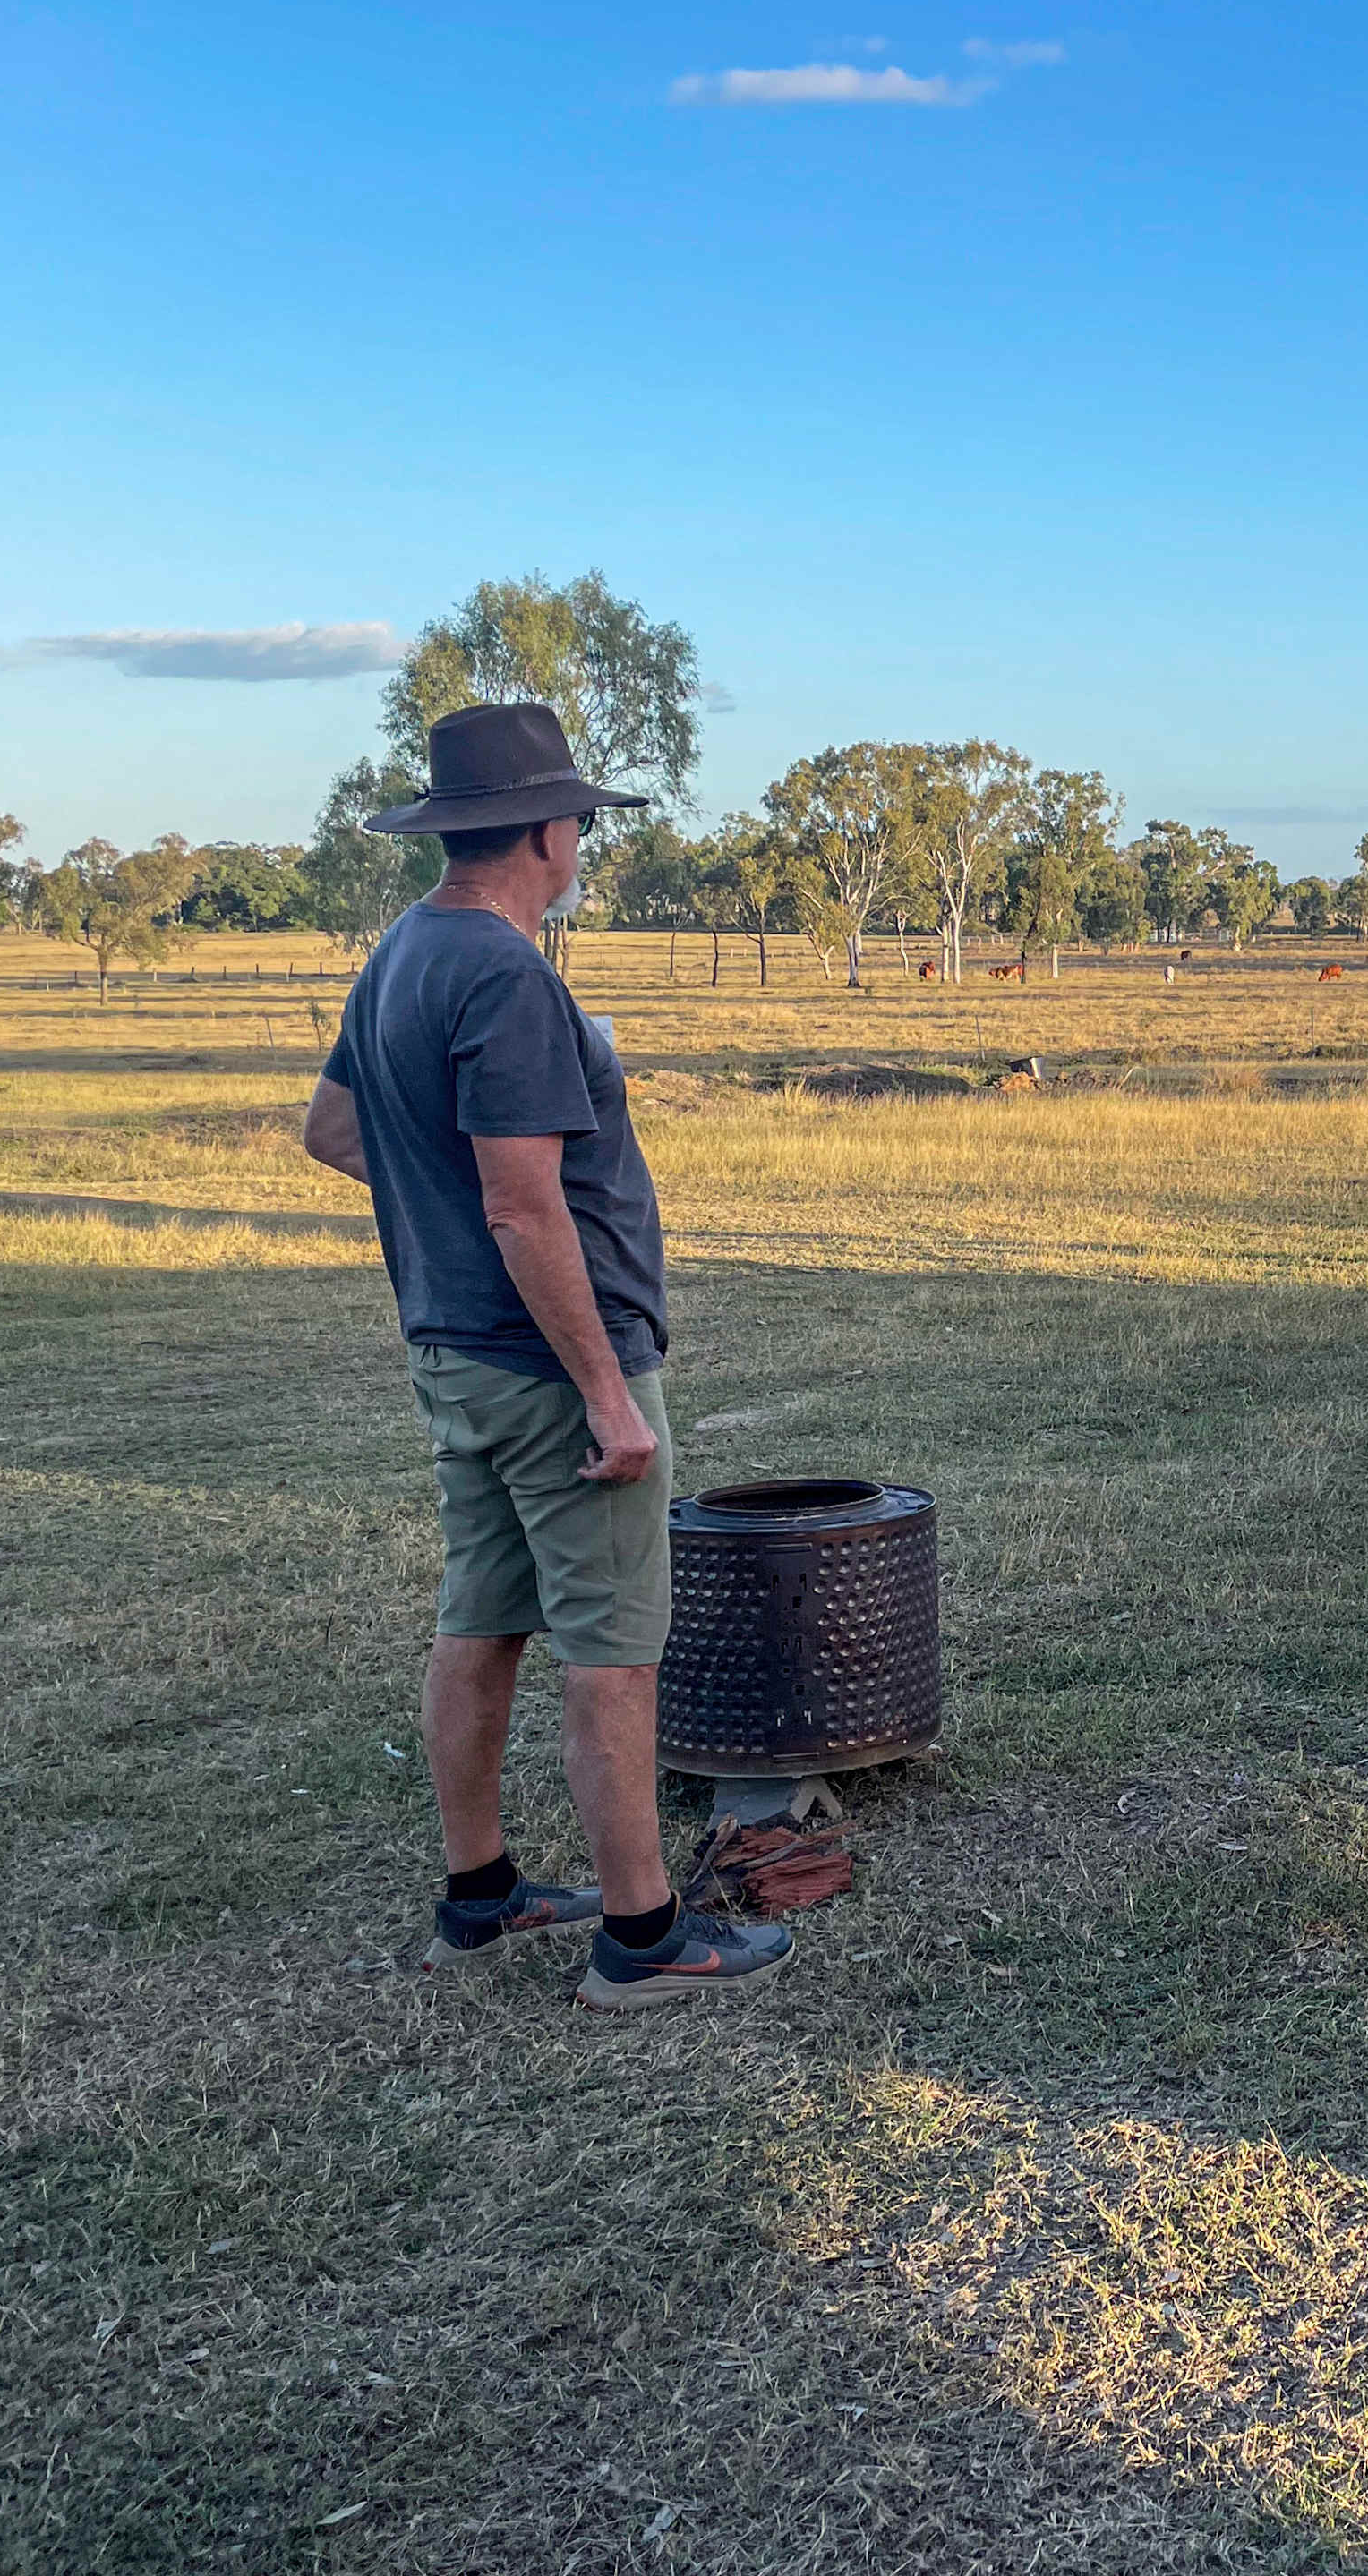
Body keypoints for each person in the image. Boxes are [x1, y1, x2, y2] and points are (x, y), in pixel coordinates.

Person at [302, 702, 792, 2009]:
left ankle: (483, 1894)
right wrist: (604, 1395)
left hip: (456, 1358)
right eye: (576, 818)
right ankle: (643, 1937)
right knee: (612, 1648)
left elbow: (335, 1132)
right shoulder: (510, 977)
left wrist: (446, 1210)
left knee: (482, 1621)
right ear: (539, 832)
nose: (582, 837)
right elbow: (524, 1202)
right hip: (547, 1373)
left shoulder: (401, 952)